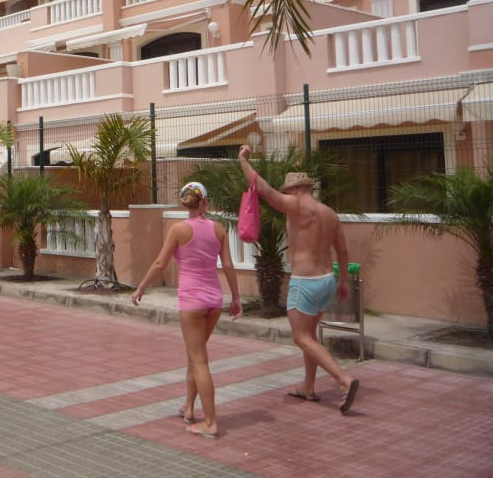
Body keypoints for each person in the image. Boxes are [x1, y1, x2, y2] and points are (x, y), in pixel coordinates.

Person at [238, 146, 360, 414]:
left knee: (301, 337)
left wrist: (243, 160)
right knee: (311, 336)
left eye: (288, 191)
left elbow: (261, 187)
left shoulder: (295, 206)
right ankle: (308, 387)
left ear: (294, 189)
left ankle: (343, 379)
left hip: (305, 281)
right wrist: (342, 281)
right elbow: (342, 250)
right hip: (327, 280)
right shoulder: (329, 213)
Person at [132, 181, 242, 438]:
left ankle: (211, 422)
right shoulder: (218, 229)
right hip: (214, 301)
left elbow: (160, 263)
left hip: (192, 302)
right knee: (196, 356)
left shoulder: (178, 229)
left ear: (185, 203)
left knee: (199, 360)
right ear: (205, 202)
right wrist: (236, 298)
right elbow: (228, 265)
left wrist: (141, 287)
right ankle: (189, 407)